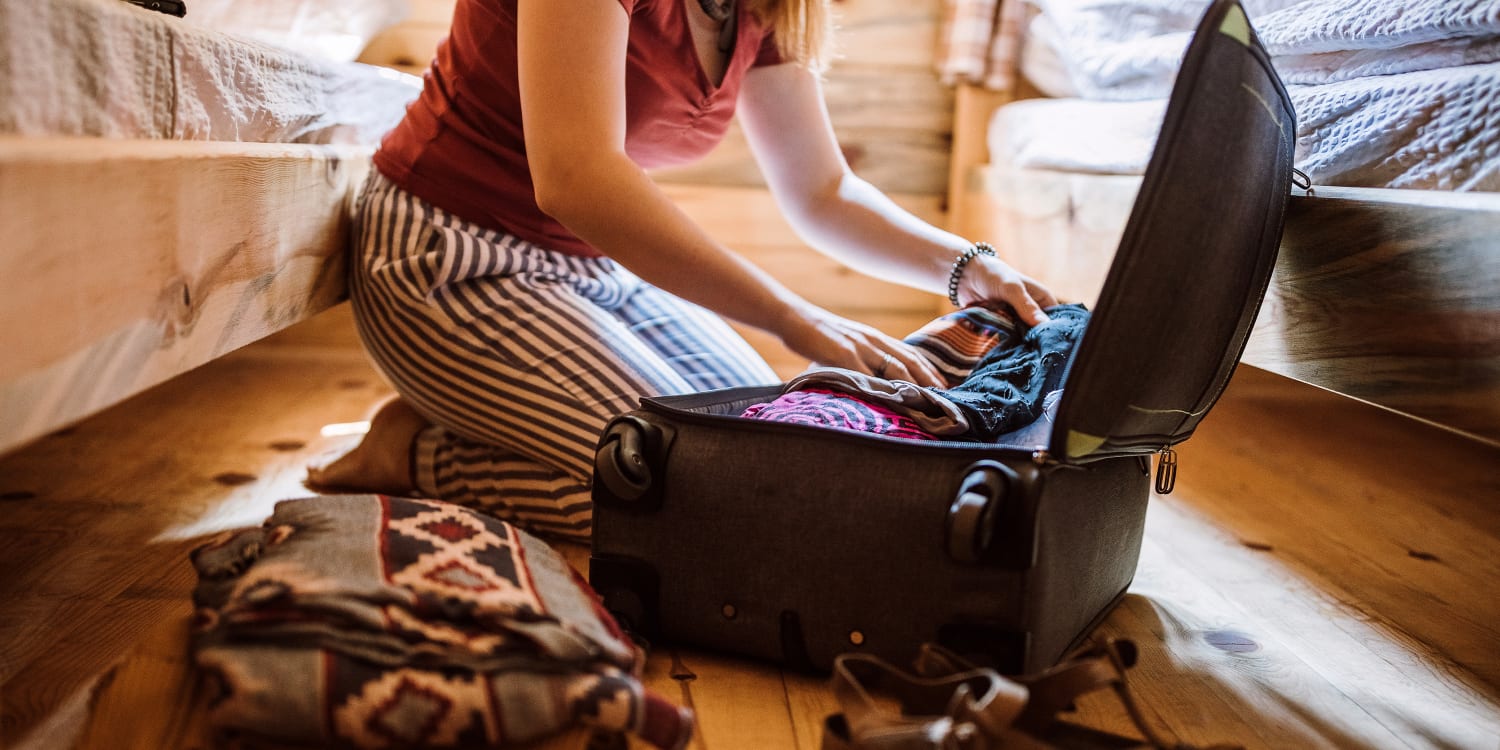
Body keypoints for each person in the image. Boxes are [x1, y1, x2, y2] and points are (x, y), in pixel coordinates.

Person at [308, 0, 1059, 540]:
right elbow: (575, 176)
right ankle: (418, 455)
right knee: (705, 502)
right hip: (447, 255)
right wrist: (801, 319)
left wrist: (967, 266)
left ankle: (481, 418)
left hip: (592, 271)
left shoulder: (766, 9)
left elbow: (823, 190)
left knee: (768, 458)